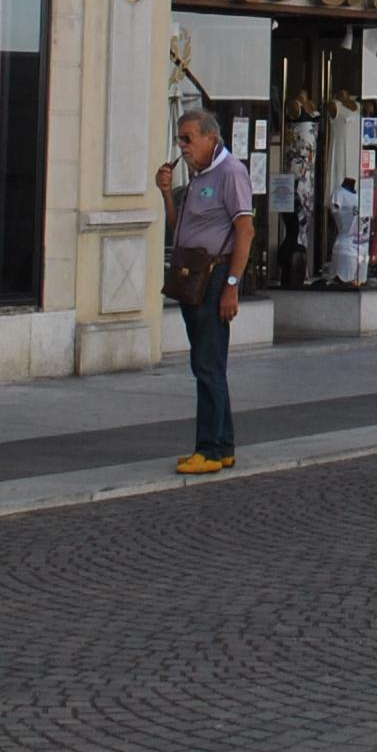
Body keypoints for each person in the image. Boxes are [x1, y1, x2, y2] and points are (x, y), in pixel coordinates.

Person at [157, 105, 253, 475]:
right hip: (190, 275)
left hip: (213, 277)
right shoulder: (197, 177)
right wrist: (167, 193)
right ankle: (222, 444)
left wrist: (232, 285)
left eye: (188, 139)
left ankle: (209, 449)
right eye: (180, 139)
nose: (182, 146)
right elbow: (178, 227)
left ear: (211, 138)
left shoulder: (230, 172)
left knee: (208, 365)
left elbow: (245, 231)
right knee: (206, 363)